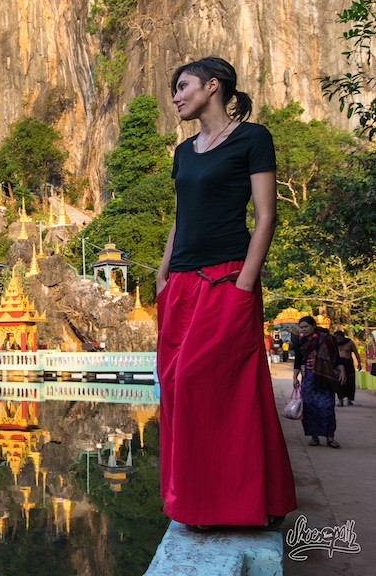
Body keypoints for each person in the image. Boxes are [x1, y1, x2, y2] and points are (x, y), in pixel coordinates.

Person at [156, 57, 296, 529]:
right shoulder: (184, 152)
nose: (175, 96)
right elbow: (181, 217)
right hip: (181, 282)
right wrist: (162, 272)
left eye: (182, 87)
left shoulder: (252, 139)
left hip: (227, 276)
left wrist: (245, 283)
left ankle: (233, 503)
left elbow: (265, 215)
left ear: (213, 86)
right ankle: (198, 504)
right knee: (175, 386)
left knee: (210, 383)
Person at [293, 316, 345, 447]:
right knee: (310, 409)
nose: (304, 330)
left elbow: (336, 358)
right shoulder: (300, 341)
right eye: (301, 327)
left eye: (306, 327)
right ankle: (314, 437)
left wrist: (342, 370)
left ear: (313, 326)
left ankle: (330, 437)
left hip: (325, 378)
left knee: (327, 407)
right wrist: (295, 377)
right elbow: (298, 361)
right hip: (308, 379)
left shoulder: (327, 339)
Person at [334, 330, 361, 406]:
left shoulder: (349, 343)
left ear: (343, 337)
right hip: (338, 364)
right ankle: (340, 400)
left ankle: (349, 400)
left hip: (348, 363)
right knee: (339, 382)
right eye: (337, 339)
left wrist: (359, 363)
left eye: (340, 339)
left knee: (350, 381)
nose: (338, 340)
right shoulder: (333, 343)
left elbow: (356, 353)